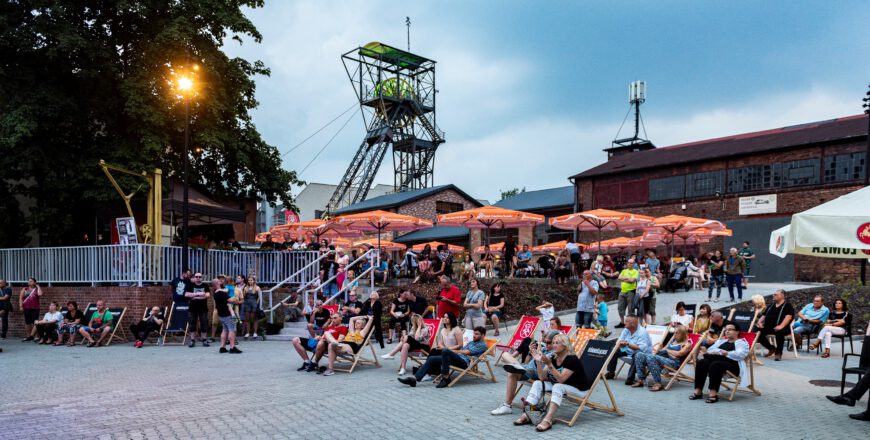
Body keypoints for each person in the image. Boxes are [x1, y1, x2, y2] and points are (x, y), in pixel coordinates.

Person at [513, 333, 590, 432]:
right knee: (537, 383)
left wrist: (549, 364)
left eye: (557, 343)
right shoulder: (553, 357)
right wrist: (538, 362)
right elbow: (541, 377)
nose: (553, 345)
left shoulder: (572, 359)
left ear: (565, 345)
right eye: (553, 343)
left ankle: (548, 419)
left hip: (579, 390)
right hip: (560, 387)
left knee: (558, 386)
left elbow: (561, 380)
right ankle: (528, 414)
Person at [491, 331, 560, 416]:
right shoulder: (544, 349)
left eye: (549, 343)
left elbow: (542, 369)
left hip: (534, 372)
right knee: (505, 354)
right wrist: (530, 352)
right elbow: (528, 362)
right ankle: (518, 367)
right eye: (545, 342)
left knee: (512, 372)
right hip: (526, 367)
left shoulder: (554, 354)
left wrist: (538, 353)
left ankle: (506, 406)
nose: (546, 345)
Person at [398, 325, 489, 388]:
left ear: (483, 335)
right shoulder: (472, 342)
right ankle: (414, 379)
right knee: (432, 358)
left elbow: (465, 352)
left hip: (464, 362)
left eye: (477, 334)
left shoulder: (482, 345)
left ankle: (445, 378)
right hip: (457, 358)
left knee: (445, 350)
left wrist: (450, 351)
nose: (474, 335)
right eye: (474, 333)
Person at [690, 324, 749, 403]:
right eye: (726, 329)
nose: (727, 331)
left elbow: (741, 355)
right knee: (702, 362)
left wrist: (726, 353)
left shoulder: (742, 343)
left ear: (737, 332)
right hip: (717, 362)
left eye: (730, 329)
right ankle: (698, 391)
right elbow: (711, 350)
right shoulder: (721, 341)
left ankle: (713, 393)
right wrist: (719, 353)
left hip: (733, 366)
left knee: (716, 364)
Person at [633, 325, 693, 391]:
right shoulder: (672, 341)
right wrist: (666, 351)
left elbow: (680, 353)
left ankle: (658, 383)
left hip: (673, 363)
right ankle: (641, 380)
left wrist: (668, 351)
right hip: (663, 359)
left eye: (677, 333)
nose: (674, 335)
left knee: (651, 357)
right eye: (674, 333)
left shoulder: (687, 344)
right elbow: (663, 350)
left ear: (683, 334)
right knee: (639, 354)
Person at [604, 315, 652, 383]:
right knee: (614, 349)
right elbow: (619, 340)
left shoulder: (642, 332)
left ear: (633, 324)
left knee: (637, 354)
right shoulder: (626, 329)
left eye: (626, 321)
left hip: (643, 354)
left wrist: (627, 344)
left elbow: (640, 348)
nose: (624, 322)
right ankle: (611, 372)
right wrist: (620, 344)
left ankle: (630, 378)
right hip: (628, 350)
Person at [756, 289, 795, 361]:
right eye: (773, 294)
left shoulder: (787, 306)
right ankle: (771, 348)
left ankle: (778, 353)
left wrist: (781, 326)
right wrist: (759, 323)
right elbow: (764, 316)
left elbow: (788, 317)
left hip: (783, 327)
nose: (773, 295)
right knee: (756, 331)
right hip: (769, 327)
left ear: (782, 296)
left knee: (780, 332)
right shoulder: (771, 305)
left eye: (775, 294)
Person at [209, 278, 241, 353]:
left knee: (225, 330)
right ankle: (232, 347)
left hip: (221, 314)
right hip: (227, 314)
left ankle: (222, 347)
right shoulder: (221, 293)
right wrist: (236, 298)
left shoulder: (216, 292)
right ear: (217, 283)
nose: (221, 281)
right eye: (219, 281)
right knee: (231, 329)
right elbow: (231, 300)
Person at [185, 272, 211, 347]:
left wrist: (193, 296)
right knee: (192, 324)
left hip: (203, 309)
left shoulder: (205, 285)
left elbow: (207, 295)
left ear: (202, 278)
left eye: (200, 277)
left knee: (204, 324)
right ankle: (192, 340)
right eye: (196, 277)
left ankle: (204, 340)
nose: (198, 278)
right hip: (192, 309)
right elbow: (186, 294)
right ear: (194, 277)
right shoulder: (191, 285)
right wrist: (199, 294)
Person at [616, 257, 638, 328]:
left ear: (633, 264)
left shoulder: (635, 271)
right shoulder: (624, 270)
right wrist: (628, 278)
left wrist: (624, 279)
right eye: (628, 262)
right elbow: (619, 278)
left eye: (631, 263)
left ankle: (630, 323)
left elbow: (632, 280)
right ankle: (622, 322)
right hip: (622, 291)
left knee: (630, 308)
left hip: (631, 291)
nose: (629, 264)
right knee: (620, 307)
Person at [19, 277, 43, 341]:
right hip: (26, 307)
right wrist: (21, 306)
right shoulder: (25, 289)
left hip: (35, 308)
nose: (29, 282)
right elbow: (21, 298)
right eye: (29, 281)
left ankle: (35, 336)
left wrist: (38, 287)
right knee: (27, 322)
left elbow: (40, 294)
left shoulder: (36, 289)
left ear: (35, 282)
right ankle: (28, 336)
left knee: (35, 322)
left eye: (31, 281)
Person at [241, 276, 262, 341]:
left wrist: (257, 303)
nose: (250, 281)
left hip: (254, 304)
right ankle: (248, 332)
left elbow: (259, 297)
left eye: (251, 280)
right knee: (247, 318)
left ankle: (255, 332)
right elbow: (243, 296)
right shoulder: (246, 288)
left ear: (254, 281)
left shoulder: (257, 287)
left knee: (254, 318)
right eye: (249, 280)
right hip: (247, 304)